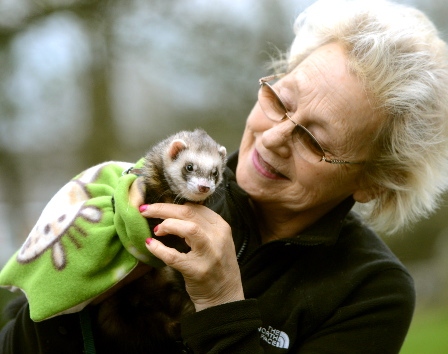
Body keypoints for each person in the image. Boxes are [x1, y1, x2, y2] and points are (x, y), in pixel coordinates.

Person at [2, 0, 448, 353]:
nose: (274, 137)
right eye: (281, 99)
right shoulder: (149, 192)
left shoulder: (371, 291)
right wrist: (73, 299)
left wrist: (222, 306)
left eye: (314, 139)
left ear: (375, 180)